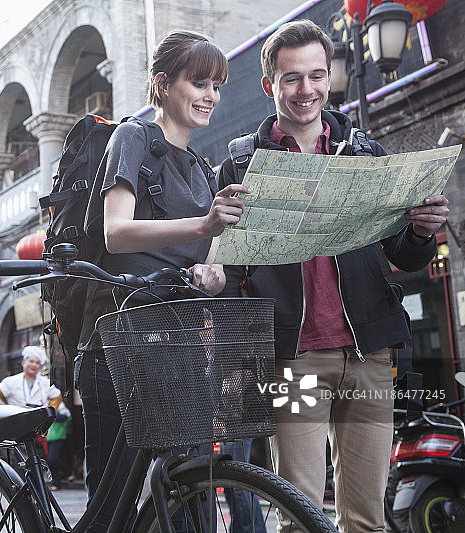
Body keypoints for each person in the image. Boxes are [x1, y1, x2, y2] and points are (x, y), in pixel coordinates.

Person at [217, 19, 449, 532]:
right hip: (292, 361)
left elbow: (406, 257)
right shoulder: (241, 166)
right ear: (268, 85)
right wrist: (239, 361)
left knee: (366, 516)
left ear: (328, 77)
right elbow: (229, 274)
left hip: (368, 356)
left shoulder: (365, 154)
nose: (307, 90)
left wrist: (420, 231)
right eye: (292, 78)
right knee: (299, 513)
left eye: (317, 76)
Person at [75, 30, 247, 531]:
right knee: (114, 507)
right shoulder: (132, 138)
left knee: (186, 491)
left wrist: (214, 273)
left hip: (181, 344)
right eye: (199, 82)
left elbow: (205, 262)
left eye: (217, 84)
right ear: (162, 84)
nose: (210, 95)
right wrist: (205, 225)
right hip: (119, 340)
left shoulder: (201, 166)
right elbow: (116, 231)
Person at [0, 345, 62, 409]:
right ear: (23, 363)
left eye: (37, 363)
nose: (34, 365)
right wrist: (7, 411)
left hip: (38, 423)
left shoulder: (45, 382)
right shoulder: (11, 381)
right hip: (16, 422)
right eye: (31, 361)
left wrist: (47, 414)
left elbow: (57, 396)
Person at [46, 402, 74, 491]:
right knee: (50, 461)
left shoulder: (59, 404)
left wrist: (51, 415)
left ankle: (68, 472)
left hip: (57, 436)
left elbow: (66, 417)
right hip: (49, 437)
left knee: (52, 459)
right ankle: (56, 484)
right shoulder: (46, 402)